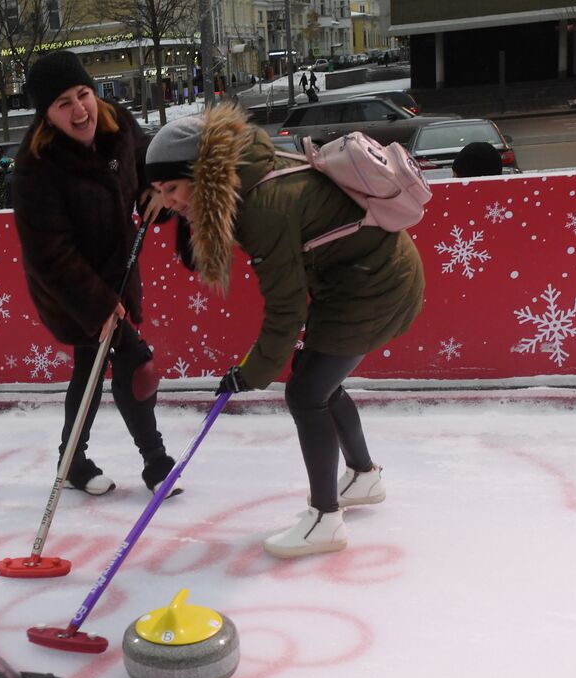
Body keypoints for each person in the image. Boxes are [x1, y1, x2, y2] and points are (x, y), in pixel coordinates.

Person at [145, 103, 424, 557]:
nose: (171, 201)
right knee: (319, 380)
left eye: (174, 188)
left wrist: (251, 373)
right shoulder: (249, 170)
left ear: (202, 173)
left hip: (374, 285)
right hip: (360, 277)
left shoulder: (262, 208)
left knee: (306, 392)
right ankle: (364, 475)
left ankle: (325, 519)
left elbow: (286, 307)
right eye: (160, 192)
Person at [10, 49, 180, 497]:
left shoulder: (119, 126)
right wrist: (98, 305)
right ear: (47, 115)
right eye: (64, 103)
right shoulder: (36, 168)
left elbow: (150, 169)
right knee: (136, 365)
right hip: (73, 289)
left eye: (83, 94)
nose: (80, 109)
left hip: (121, 273)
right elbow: (50, 255)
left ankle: (73, 461)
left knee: (90, 370)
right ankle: (156, 462)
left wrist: (157, 193)